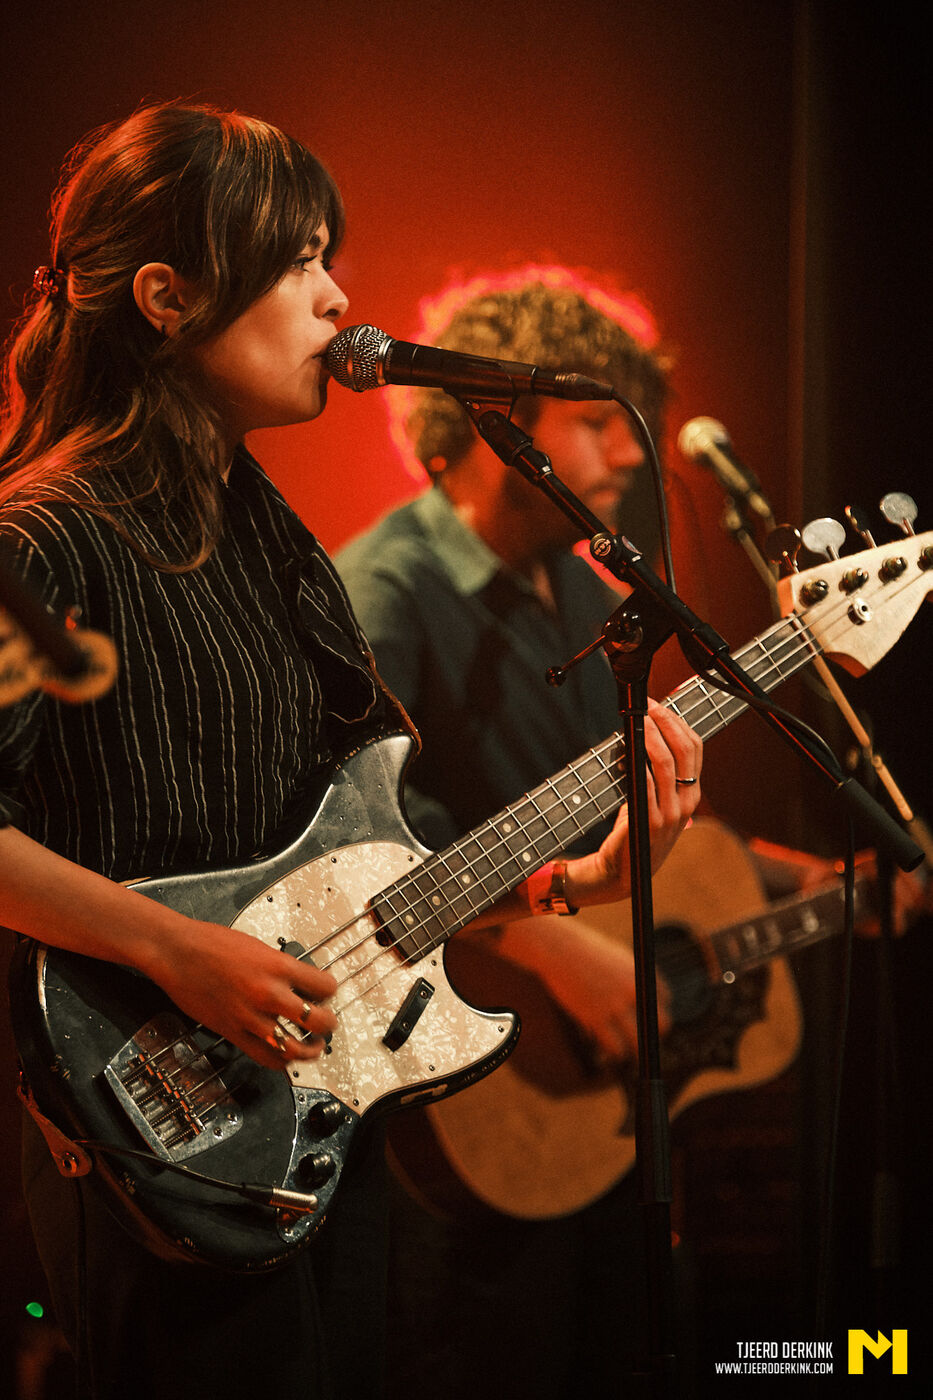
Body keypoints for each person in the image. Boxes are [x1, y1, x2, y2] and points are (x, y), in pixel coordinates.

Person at [0, 107, 702, 1400]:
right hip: (151, 1122)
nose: (337, 297)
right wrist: (176, 950)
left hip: (306, 1110)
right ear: (166, 296)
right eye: (297, 260)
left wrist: (571, 883)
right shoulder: (42, 536)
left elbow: (361, 870)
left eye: (330, 257)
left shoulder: (273, 543)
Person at [335, 270, 897, 1397]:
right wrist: (563, 951)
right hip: (462, 1084)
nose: (628, 454)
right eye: (595, 420)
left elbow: (616, 805)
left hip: (597, 1120)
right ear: (489, 422)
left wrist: (797, 875)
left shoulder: (590, 591)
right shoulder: (383, 589)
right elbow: (370, 834)